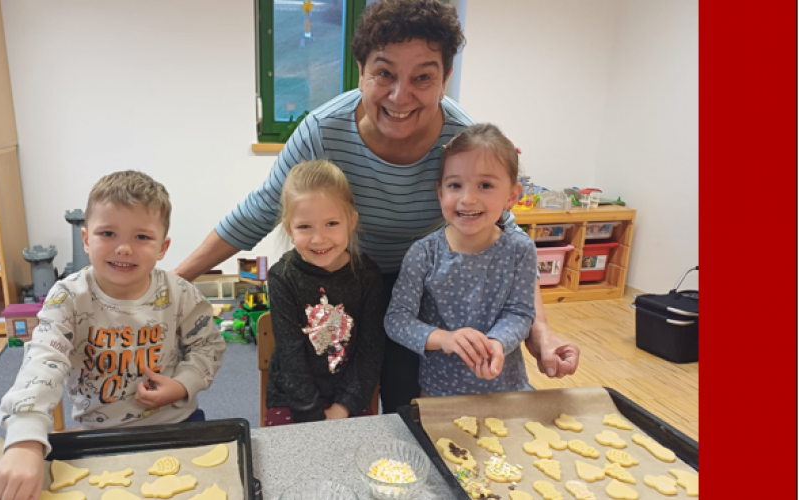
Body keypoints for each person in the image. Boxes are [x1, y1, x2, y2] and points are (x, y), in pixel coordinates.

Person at [174, 0, 579, 413]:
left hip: (424, 290)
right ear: (361, 71)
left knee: (408, 399)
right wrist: (170, 284)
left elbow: (504, 235)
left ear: (445, 78)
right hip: (347, 279)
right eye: (384, 73)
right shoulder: (323, 131)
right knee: (338, 389)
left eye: (423, 77)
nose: (400, 96)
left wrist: (540, 332)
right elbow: (261, 209)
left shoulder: (461, 139)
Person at [0, 171, 226, 500]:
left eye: (142, 237)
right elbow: (42, 360)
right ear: (86, 239)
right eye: (108, 233)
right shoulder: (68, 298)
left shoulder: (181, 293)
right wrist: (24, 439)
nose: (124, 248)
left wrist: (182, 384)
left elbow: (208, 346)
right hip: (100, 435)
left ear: (163, 247)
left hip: (179, 424)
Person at [385, 124, 536, 396]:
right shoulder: (424, 253)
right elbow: (397, 320)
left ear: (512, 195)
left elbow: (520, 312)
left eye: (485, 185)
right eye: (455, 185)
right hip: (439, 394)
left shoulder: (520, 249)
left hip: (506, 390)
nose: (467, 199)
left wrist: (497, 343)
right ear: (440, 192)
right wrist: (446, 339)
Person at [264, 160, 385, 426]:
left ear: (351, 221)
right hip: (292, 400)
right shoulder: (282, 277)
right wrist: (312, 416)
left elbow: (370, 350)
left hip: (350, 399)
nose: (318, 239)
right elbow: (290, 356)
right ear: (288, 228)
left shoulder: (367, 276)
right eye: (304, 227)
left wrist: (343, 407)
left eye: (331, 223)